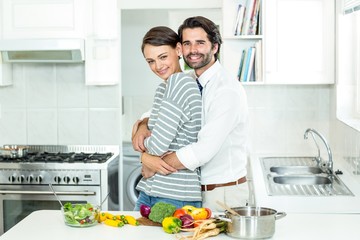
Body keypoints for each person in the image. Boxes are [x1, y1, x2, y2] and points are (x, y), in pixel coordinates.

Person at [132, 16, 249, 211]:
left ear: (215, 47)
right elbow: (154, 114)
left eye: (200, 43)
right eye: (187, 43)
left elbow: (203, 150)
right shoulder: (189, 80)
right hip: (193, 189)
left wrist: (150, 162)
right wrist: (144, 124)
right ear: (180, 48)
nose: (193, 50)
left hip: (221, 193)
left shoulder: (226, 89)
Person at [133, 26, 203, 210]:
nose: (157, 66)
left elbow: (157, 145)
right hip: (151, 190)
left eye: (163, 57)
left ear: (178, 50)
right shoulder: (164, 87)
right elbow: (150, 134)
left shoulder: (180, 83)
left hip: (175, 195)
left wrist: (144, 156)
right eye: (151, 61)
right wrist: (142, 128)